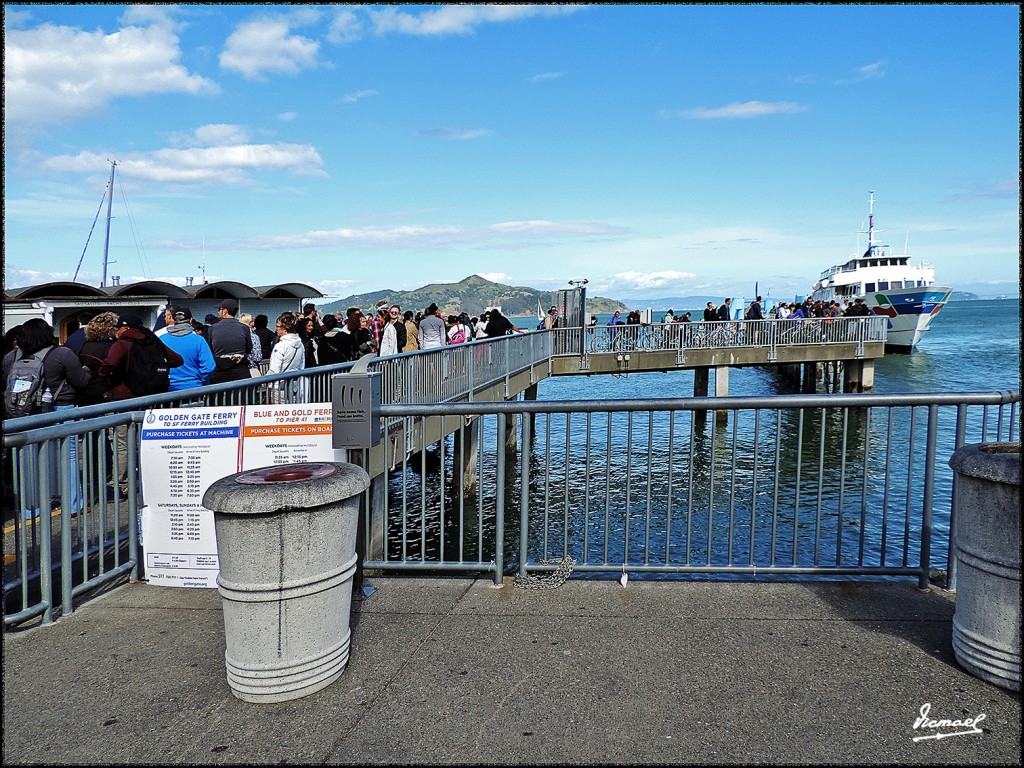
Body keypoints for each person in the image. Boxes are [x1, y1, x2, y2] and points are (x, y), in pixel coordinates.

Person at [160, 307, 216, 391]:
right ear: (190, 320)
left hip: (168, 388)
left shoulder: (161, 340)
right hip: (193, 388)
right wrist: (203, 381)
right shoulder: (199, 340)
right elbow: (208, 367)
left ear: (173, 320)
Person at [75, 312, 120, 406]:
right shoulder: (110, 348)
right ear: (110, 329)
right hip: (104, 394)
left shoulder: (84, 345)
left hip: (85, 392)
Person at [207, 299, 252, 384]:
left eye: (219, 310)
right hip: (241, 371)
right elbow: (249, 349)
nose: (218, 312)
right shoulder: (244, 328)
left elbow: (210, 350)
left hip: (219, 372)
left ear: (225, 311)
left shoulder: (212, 328)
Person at [267, 311, 305, 403]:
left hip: (279, 387)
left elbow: (274, 369)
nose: (276, 329)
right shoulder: (300, 344)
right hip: (294, 385)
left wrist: (267, 383)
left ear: (284, 328)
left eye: (277, 326)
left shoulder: (280, 346)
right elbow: (302, 366)